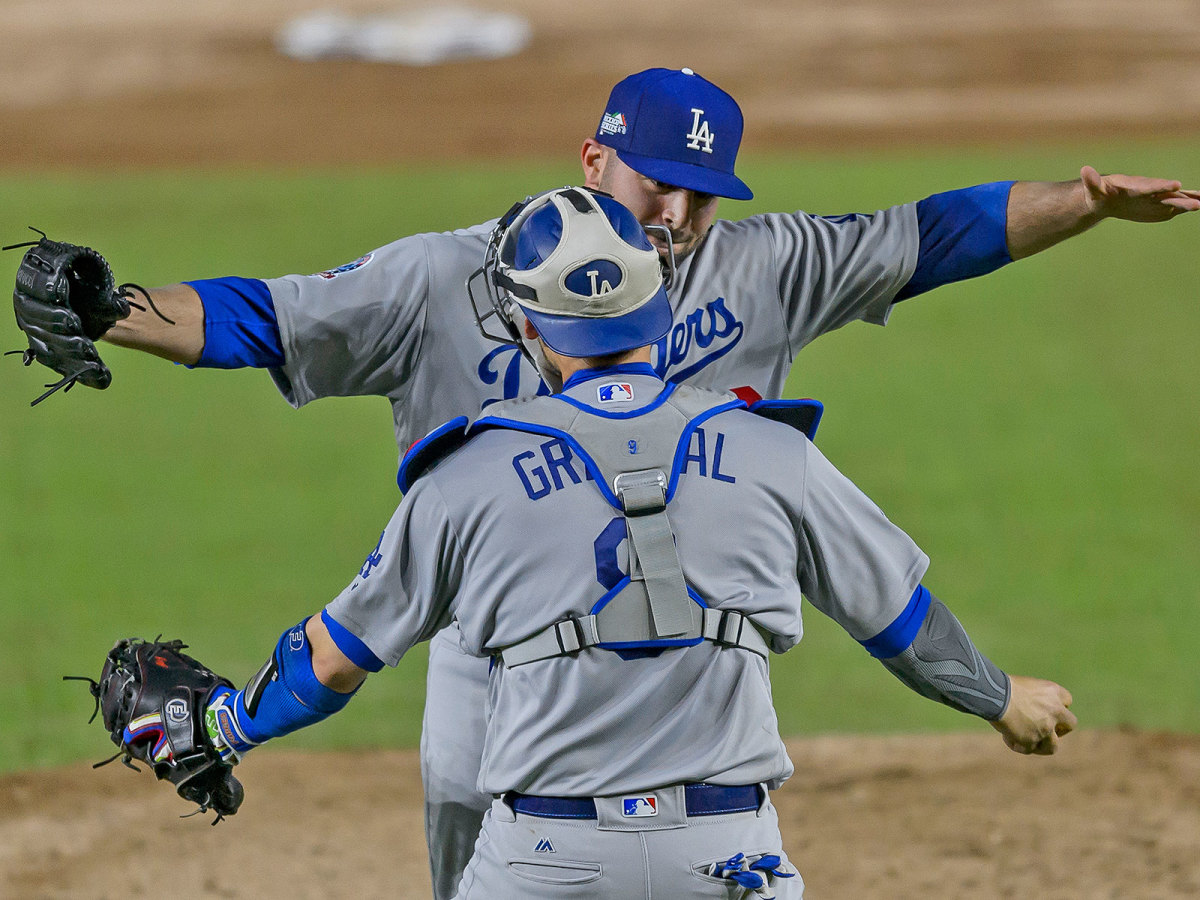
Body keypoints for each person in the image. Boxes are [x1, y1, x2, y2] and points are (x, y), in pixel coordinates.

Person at [14, 66, 1191, 899]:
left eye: (701, 189)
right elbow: (263, 317)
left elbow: (934, 236)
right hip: (497, 650)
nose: (677, 213)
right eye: (654, 185)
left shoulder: (763, 263)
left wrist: (1080, 206)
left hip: (694, 651)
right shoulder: (445, 277)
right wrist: (116, 313)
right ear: (592, 160)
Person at [192, 188, 1075, 898]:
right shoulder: (774, 451)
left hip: (546, 864)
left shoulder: (462, 479)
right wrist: (1002, 699)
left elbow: (334, 659)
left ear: (531, 329)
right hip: (731, 860)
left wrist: (222, 728)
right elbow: (899, 619)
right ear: (662, 307)